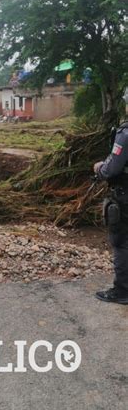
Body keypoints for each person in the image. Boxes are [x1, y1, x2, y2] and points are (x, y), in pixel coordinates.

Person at [93, 114, 128, 305]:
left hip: (125, 195)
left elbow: (112, 168)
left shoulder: (125, 133)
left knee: (121, 241)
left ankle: (122, 290)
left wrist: (99, 168)